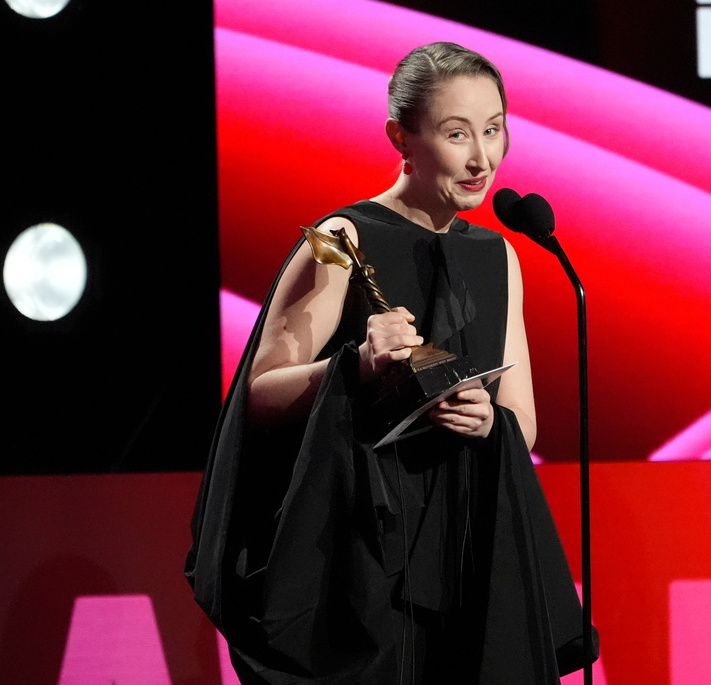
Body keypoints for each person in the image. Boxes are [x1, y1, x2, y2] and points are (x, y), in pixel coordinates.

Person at [186, 42, 594, 684]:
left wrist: (488, 418)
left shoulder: (500, 258)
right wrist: (355, 366)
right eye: (458, 134)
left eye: (494, 129)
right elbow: (259, 394)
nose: (482, 157)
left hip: (465, 545)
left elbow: (523, 420)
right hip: (360, 556)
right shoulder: (344, 240)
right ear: (400, 136)